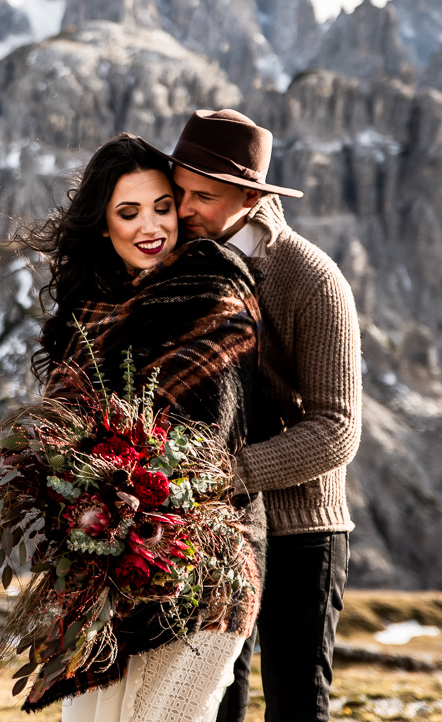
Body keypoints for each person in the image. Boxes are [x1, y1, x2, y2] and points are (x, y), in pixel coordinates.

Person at [16, 133, 264, 722]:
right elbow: (62, 438)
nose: (152, 225)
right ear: (103, 226)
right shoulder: (90, 313)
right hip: (101, 573)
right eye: (128, 213)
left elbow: (211, 439)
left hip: (201, 565)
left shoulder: (215, 291)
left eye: (162, 206)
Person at [164, 110, 362, 722]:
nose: (185, 208)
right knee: (214, 704)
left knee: (297, 706)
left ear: (251, 196)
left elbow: (337, 430)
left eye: (204, 195)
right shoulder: (182, 263)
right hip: (214, 529)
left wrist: (225, 472)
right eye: (179, 193)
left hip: (301, 529)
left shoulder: (312, 279)